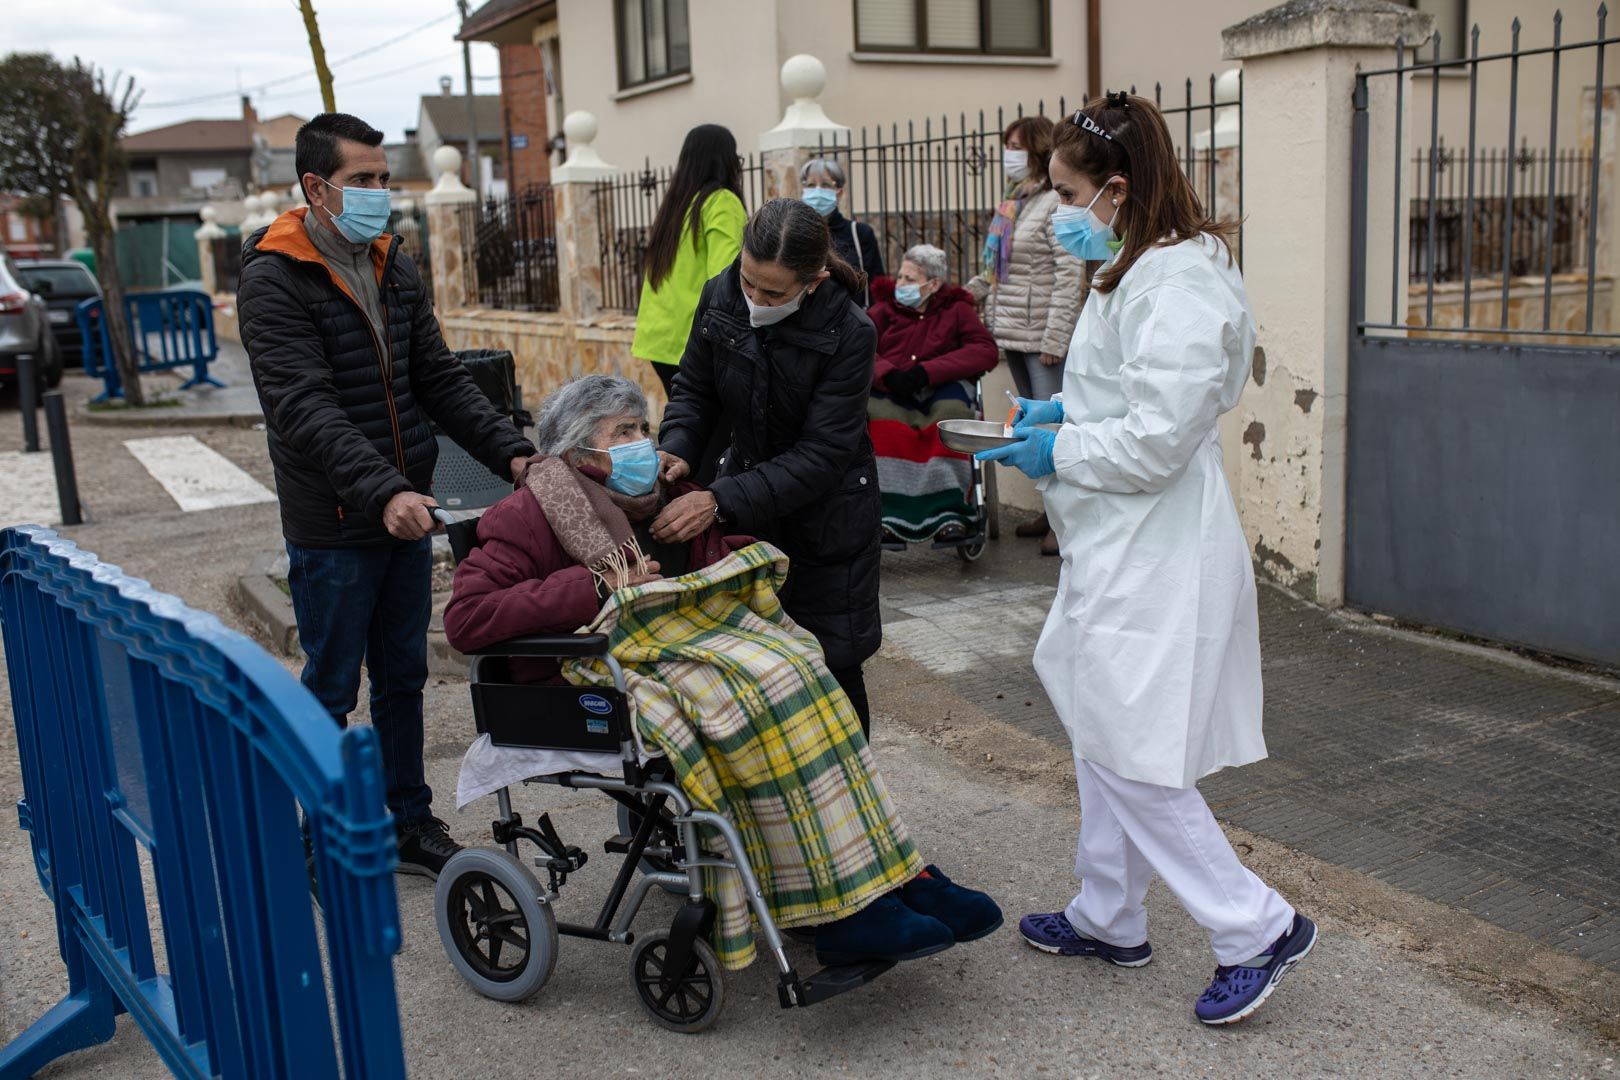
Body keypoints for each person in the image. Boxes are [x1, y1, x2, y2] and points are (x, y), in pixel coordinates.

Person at [443, 375, 1001, 969]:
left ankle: (894, 872)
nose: (644, 444)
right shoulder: (528, 513)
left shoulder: (661, 494)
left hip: (674, 647)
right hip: (579, 677)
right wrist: (595, 583)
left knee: (802, 666)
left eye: (643, 428)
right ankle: (842, 909)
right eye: (623, 432)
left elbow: (701, 570)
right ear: (580, 453)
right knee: (755, 693)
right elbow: (466, 619)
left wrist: (721, 544)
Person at [977, 92, 1316, 1027]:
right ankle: (1109, 913)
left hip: (1159, 541)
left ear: (1117, 191)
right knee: (1098, 716)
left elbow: (1161, 438)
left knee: (1129, 744)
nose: (1055, 215)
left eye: (1068, 193)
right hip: (1121, 537)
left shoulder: (1179, 281)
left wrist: (1063, 448)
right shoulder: (1138, 265)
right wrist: (1063, 417)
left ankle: (1255, 926)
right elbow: (1125, 399)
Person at [238, 112, 537, 880]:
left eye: (384, 178)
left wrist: (511, 451)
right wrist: (381, 493)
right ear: (317, 187)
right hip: (336, 521)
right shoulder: (275, 277)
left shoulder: (392, 263)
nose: (381, 194)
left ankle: (408, 820)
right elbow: (303, 407)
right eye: (364, 180)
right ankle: (323, 836)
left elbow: (436, 378)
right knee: (332, 686)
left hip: (404, 509)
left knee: (402, 677)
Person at [650, 198, 882, 736]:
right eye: (749, 281)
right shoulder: (721, 292)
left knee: (831, 670)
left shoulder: (851, 332)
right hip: (749, 510)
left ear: (816, 279)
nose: (755, 299)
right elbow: (694, 389)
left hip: (828, 522)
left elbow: (823, 455)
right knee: (749, 666)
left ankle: (851, 811)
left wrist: (719, 500)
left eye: (774, 292)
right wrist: (679, 446)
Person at [966, 115, 1087, 557]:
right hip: (1014, 332)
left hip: (1042, 337)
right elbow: (997, 272)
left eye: (1017, 144)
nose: (1009, 152)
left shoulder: (1055, 203)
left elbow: (1069, 272)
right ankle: (1049, 511)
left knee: (1055, 427)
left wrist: (1056, 338)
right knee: (1031, 424)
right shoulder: (1016, 200)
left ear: (1037, 148)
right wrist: (963, 294)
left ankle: (1065, 524)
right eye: (1007, 144)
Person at [867, 243, 998, 544]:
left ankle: (949, 514)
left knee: (950, 424)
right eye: (900, 276)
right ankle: (887, 514)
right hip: (893, 387)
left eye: (910, 279)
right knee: (884, 425)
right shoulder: (883, 310)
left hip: (941, 388)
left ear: (934, 284)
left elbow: (984, 350)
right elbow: (859, 348)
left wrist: (928, 372)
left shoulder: (956, 310)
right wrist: (889, 374)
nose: (900, 284)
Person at [631, 124, 747, 401]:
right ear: (726, 161)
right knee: (709, 434)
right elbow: (726, 277)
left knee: (688, 422)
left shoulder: (676, 206)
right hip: (694, 342)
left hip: (659, 339)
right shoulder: (721, 202)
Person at [799, 157, 885, 305]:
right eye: (811, 185)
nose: (817, 191)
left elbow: (876, 286)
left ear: (839, 192)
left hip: (852, 321)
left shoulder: (860, 234)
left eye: (826, 185)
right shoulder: (796, 233)